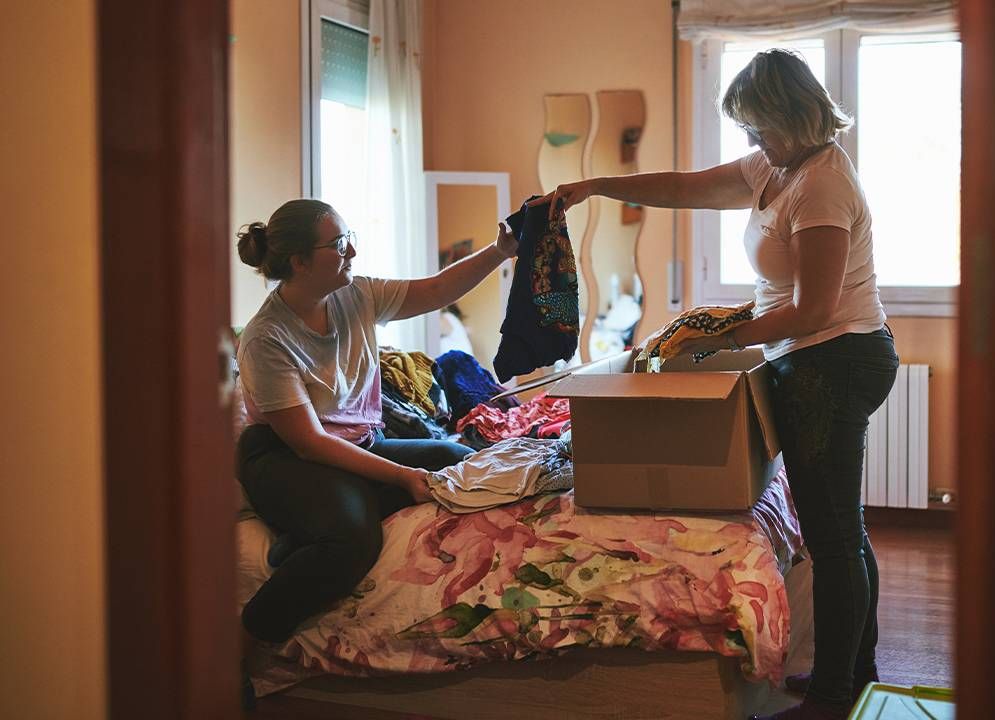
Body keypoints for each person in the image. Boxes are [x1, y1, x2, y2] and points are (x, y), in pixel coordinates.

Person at [540, 49, 900, 720]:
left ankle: (832, 697)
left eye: (758, 127)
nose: (750, 142)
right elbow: (686, 187)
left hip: (835, 359)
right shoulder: (777, 164)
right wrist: (599, 187)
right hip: (816, 356)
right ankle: (858, 672)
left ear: (793, 116)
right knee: (841, 530)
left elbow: (816, 308)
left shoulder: (822, 183)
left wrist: (722, 337)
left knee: (831, 537)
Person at [234, 198, 518, 644]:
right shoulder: (266, 339)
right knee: (353, 539)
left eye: (349, 240)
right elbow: (309, 442)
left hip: (359, 443)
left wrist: (501, 250)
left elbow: (435, 291)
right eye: (340, 244)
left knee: (459, 459)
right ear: (299, 261)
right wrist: (402, 475)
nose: (351, 253)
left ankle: (299, 536)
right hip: (287, 458)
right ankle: (242, 642)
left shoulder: (355, 294)